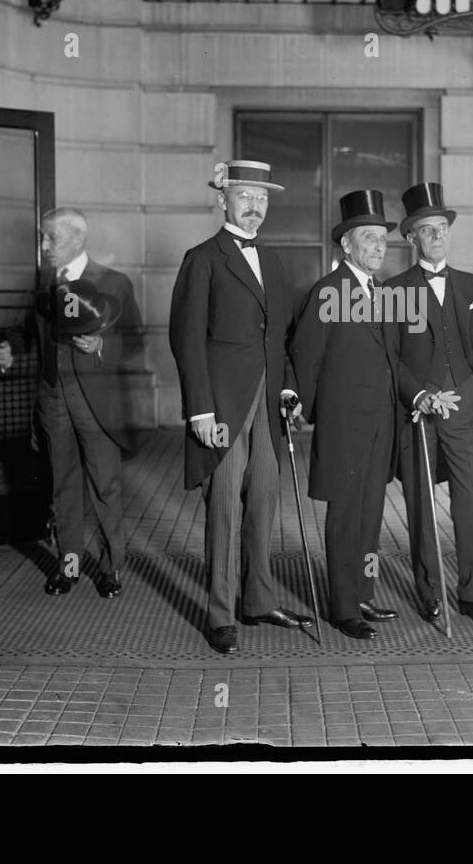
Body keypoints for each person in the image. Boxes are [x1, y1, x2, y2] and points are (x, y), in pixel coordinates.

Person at [169, 160, 313, 656]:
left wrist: (288, 389)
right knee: (225, 507)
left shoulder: (272, 262)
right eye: (245, 196)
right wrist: (200, 411)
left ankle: (258, 599)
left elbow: (281, 338)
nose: (255, 206)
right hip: (224, 407)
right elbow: (186, 340)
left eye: (262, 198)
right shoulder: (203, 258)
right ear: (222, 199)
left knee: (265, 501)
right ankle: (220, 613)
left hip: (267, 404)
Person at [0, 207, 143, 598]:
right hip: (53, 399)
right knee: (63, 486)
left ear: (79, 238)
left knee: (104, 486)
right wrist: (11, 347)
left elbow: (135, 341)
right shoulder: (44, 285)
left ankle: (111, 569)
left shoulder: (114, 283)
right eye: (42, 237)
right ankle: (69, 566)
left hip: (97, 405)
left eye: (51, 238)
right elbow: (27, 330)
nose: (43, 246)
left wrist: (101, 346)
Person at [288, 190, 400, 640]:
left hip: (381, 423)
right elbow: (305, 354)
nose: (378, 246)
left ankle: (363, 592)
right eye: (368, 238)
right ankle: (342, 606)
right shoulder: (328, 291)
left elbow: (394, 360)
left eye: (382, 239)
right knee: (344, 515)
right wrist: (307, 410)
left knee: (371, 514)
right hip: (344, 424)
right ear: (347, 245)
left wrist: (418, 396)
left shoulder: (385, 293)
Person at [384, 182, 473, 627]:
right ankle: (429, 592)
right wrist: (418, 394)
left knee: (470, 503)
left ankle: (471, 593)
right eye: (426, 230)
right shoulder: (395, 290)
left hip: (463, 407)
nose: (436, 236)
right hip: (419, 411)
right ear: (411, 239)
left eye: (441, 228)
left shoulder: (472, 283)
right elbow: (390, 357)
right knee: (421, 503)